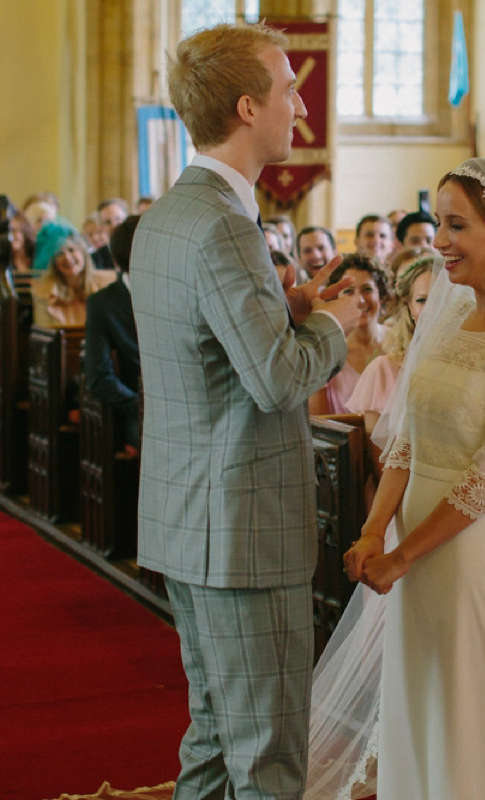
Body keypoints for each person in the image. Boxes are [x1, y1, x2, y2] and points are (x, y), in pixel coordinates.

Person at [305, 157, 485, 800]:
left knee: (466, 714)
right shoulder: (453, 314)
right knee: (418, 707)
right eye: (439, 222)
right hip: (410, 553)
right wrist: (375, 531)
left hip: (466, 554)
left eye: (456, 225)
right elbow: (407, 443)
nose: (439, 241)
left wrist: (404, 554)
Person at [131, 22, 360, 800]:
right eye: (289, 87)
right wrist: (336, 324)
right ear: (245, 107)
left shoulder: (170, 213)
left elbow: (208, 351)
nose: (300, 103)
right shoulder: (227, 223)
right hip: (243, 530)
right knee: (267, 759)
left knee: (214, 739)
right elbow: (275, 380)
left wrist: (288, 303)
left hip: (188, 517)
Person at [346, 253, 434, 433]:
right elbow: (377, 455)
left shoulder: (476, 365)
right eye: (422, 300)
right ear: (409, 307)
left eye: (441, 298)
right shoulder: (383, 372)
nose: (434, 308)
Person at [84, 215, 142, 452]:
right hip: (137, 410)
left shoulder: (179, 293)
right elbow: (100, 378)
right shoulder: (103, 304)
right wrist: (139, 405)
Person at [308, 253, 390, 415]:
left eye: (367, 289)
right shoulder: (325, 354)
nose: (359, 300)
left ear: (381, 295)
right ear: (335, 299)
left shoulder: (401, 344)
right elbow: (321, 424)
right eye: (349, 291)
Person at [31, 222, 115, 325]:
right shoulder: (43, 290)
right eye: (60, 253)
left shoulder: (108, 283)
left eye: (71, 250)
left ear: (83, 253)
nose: (67, 257)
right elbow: (44, 329)